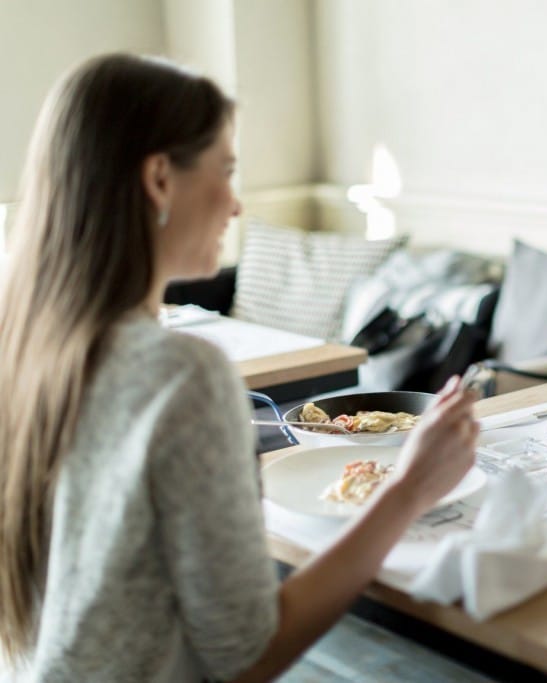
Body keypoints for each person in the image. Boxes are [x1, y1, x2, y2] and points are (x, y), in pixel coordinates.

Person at [0, 54, 478, 682]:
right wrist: (409, 489)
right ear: (159, 180)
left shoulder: (23, 343)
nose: (235, 204)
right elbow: (248, 656)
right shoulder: (179, 373)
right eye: (225, 170)